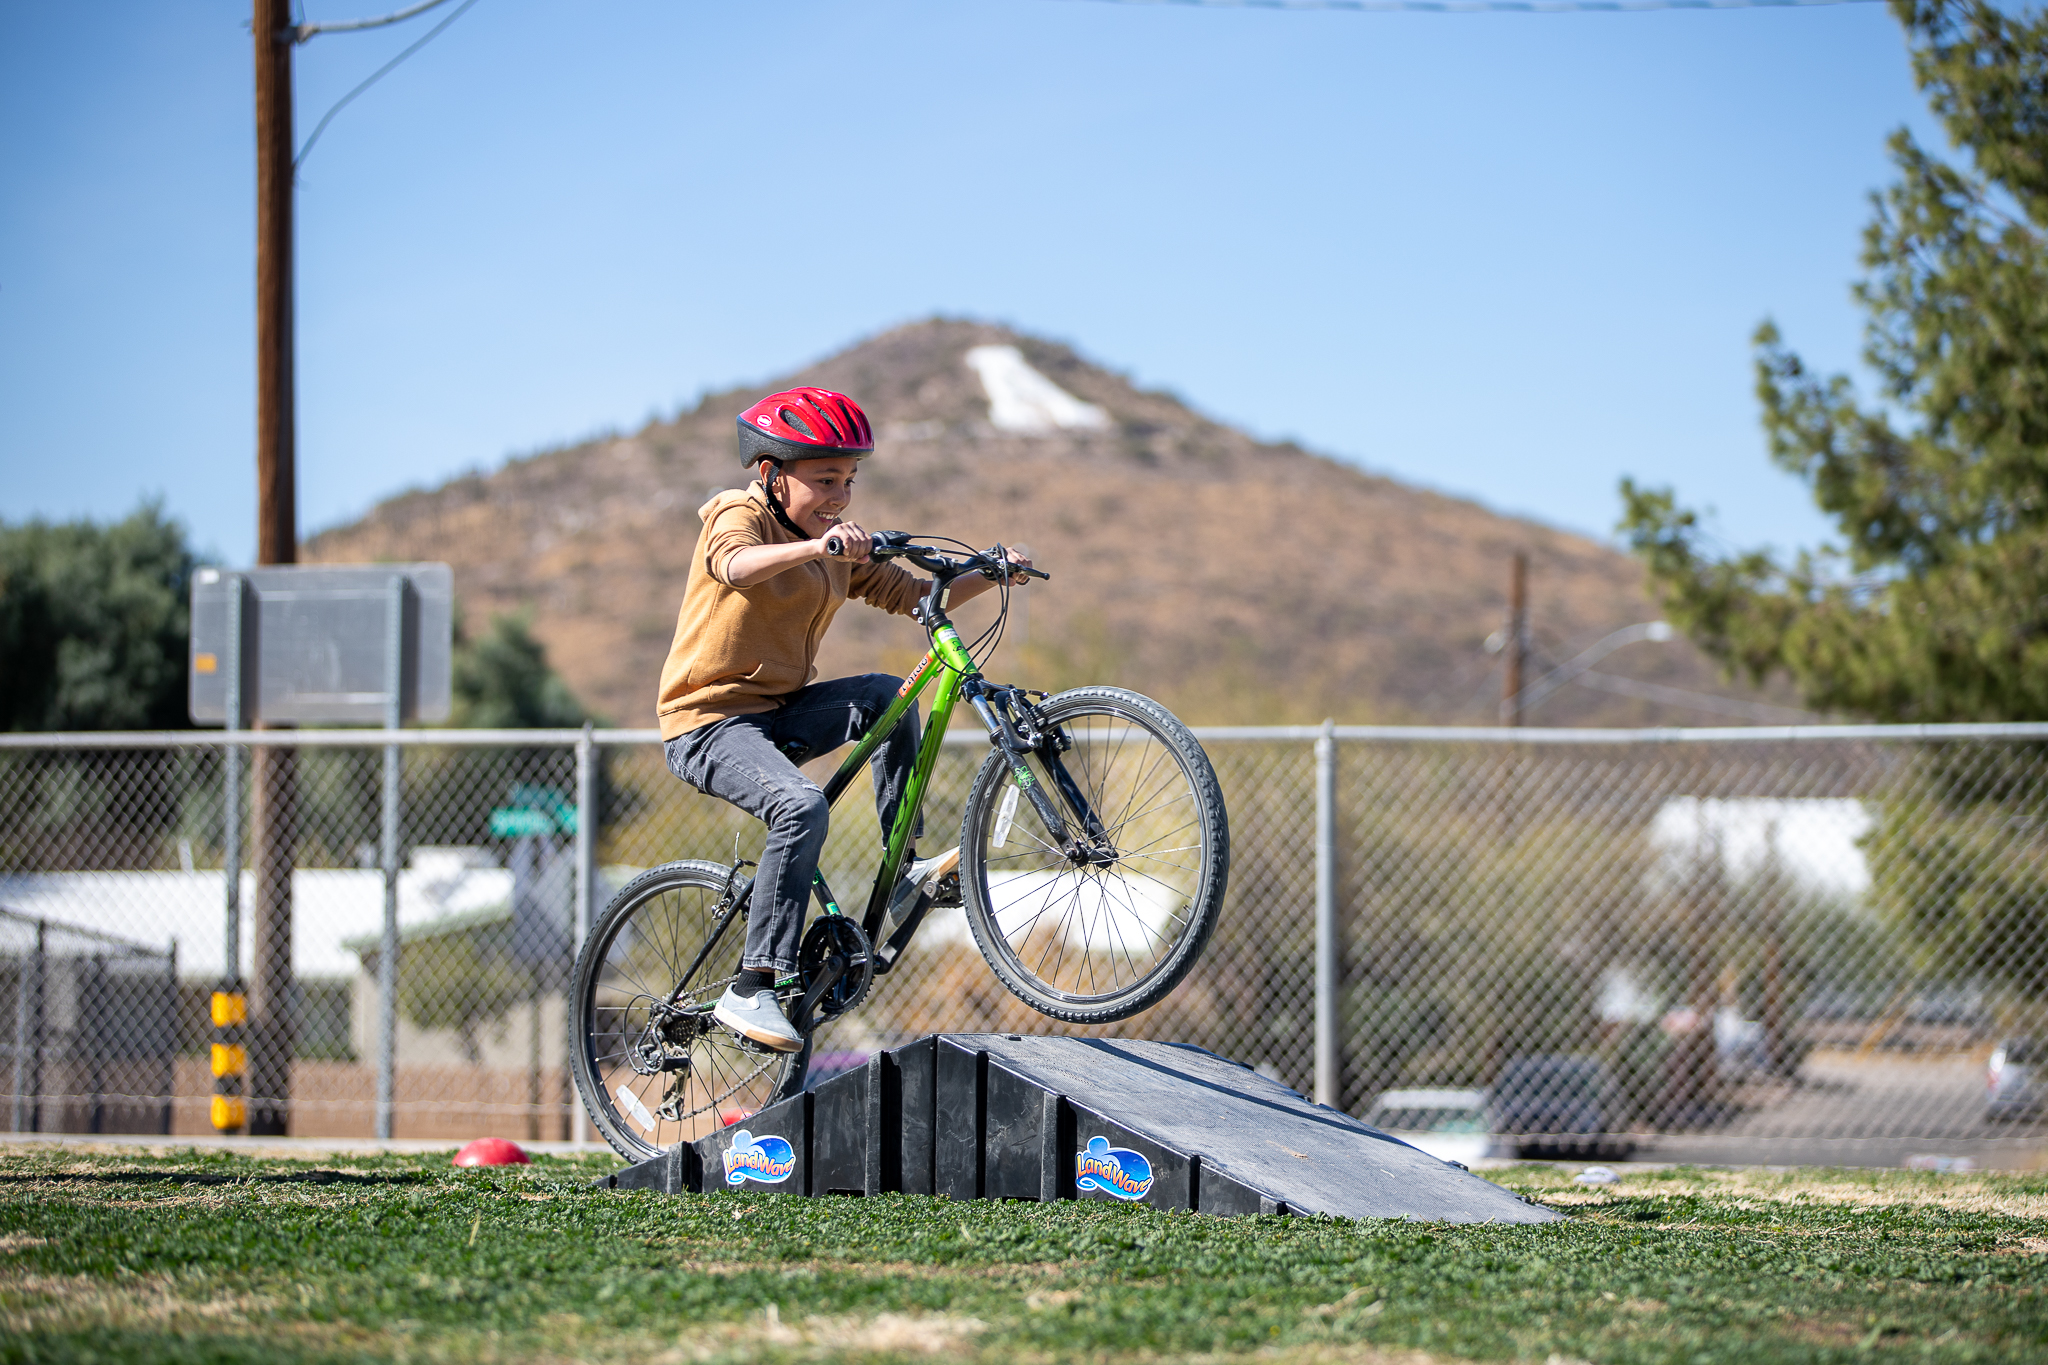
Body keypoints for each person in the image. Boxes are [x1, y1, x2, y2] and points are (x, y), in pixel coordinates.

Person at [657, 386, 1028, 1052]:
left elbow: (916, 595)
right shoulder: (735, 514)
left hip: (780, 711)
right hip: (707, 724)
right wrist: (818, 548)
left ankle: (905, 859)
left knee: (888, 695)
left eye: (849, 480)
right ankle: (752, 983)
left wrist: (991, 572)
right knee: (799, 807)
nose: (841, 494)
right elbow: (735, 566)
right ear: (771, 475)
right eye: (825, 478)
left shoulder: (831, 546)